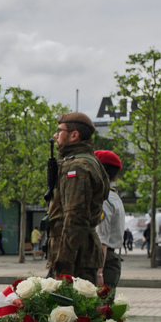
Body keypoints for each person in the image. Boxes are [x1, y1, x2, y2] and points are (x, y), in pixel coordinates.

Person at [45, 112, 108, 283]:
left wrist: (63, 264)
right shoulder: (84, 161)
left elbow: (75, 218)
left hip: (74, 259)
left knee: (71, 309)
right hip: (76, 255)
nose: (55, 135)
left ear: (74, 135)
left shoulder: (77, 167)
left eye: (59, 130)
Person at [95, 150, 126, 292]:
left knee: (100, 310)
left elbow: (102, 240)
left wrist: (99, 272)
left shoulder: (105, 199)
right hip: (110, 259)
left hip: (104, 261)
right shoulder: (114, 196)